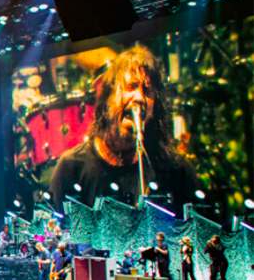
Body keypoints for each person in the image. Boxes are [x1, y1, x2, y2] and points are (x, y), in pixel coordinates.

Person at [49, 46, 199, 209]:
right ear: (108, 98)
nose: (140, 97)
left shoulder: (177, 171)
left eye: (147, 92)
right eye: (131, 86)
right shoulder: (72, 168)